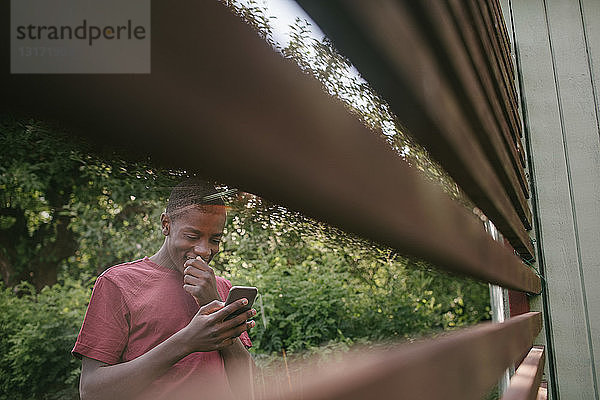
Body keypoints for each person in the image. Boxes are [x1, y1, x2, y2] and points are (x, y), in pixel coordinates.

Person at [72, 179, 255, 400]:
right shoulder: (118, 283)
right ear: (166, 224)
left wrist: (213, 306)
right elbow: (91, 392)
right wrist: (186, 341)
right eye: (192, 236)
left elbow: (249, 389)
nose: (204, 250)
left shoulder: (221, 288)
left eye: (214, 239)